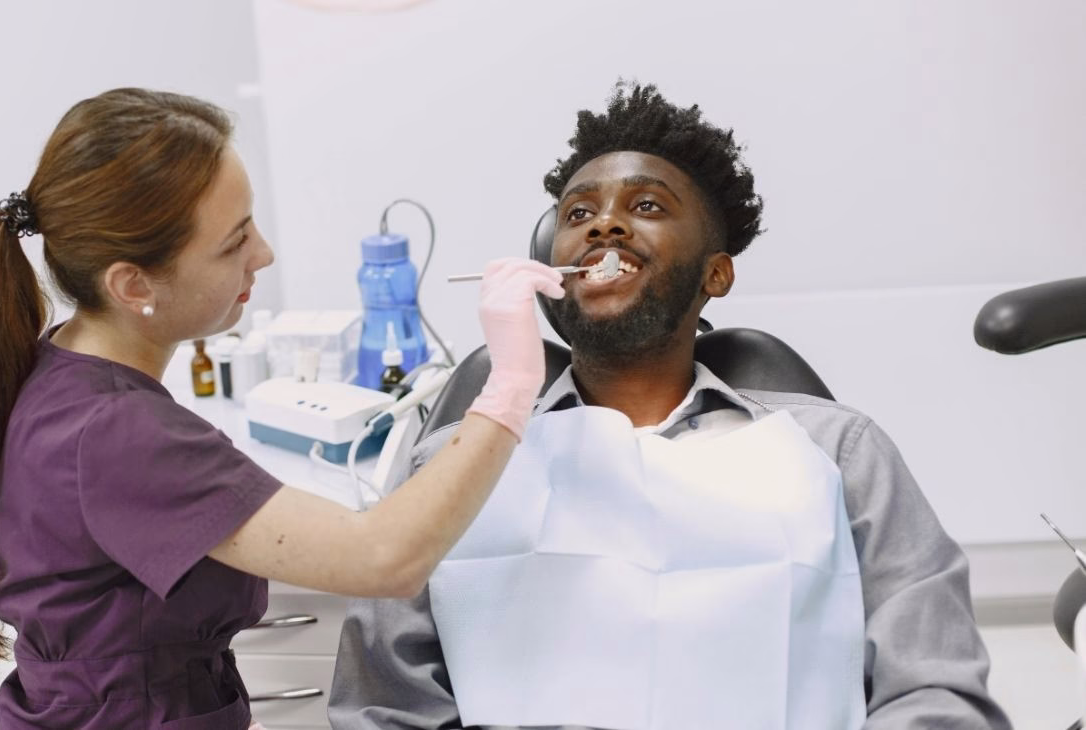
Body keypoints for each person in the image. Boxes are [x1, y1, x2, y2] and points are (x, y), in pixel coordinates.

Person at [328, 82, 1012, 729]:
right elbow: (384, 708)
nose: (604, 225)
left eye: (647, 206)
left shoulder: (842, 454)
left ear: (717, 272)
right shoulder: (448, 466)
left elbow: (934, 689)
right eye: (578, 214)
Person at [0, 88, 565, 730]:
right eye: (234, 242)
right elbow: (385, 558)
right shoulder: (119, 434)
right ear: (133, 285)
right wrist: (511, 382)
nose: (264, 255)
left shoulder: (58, 368)